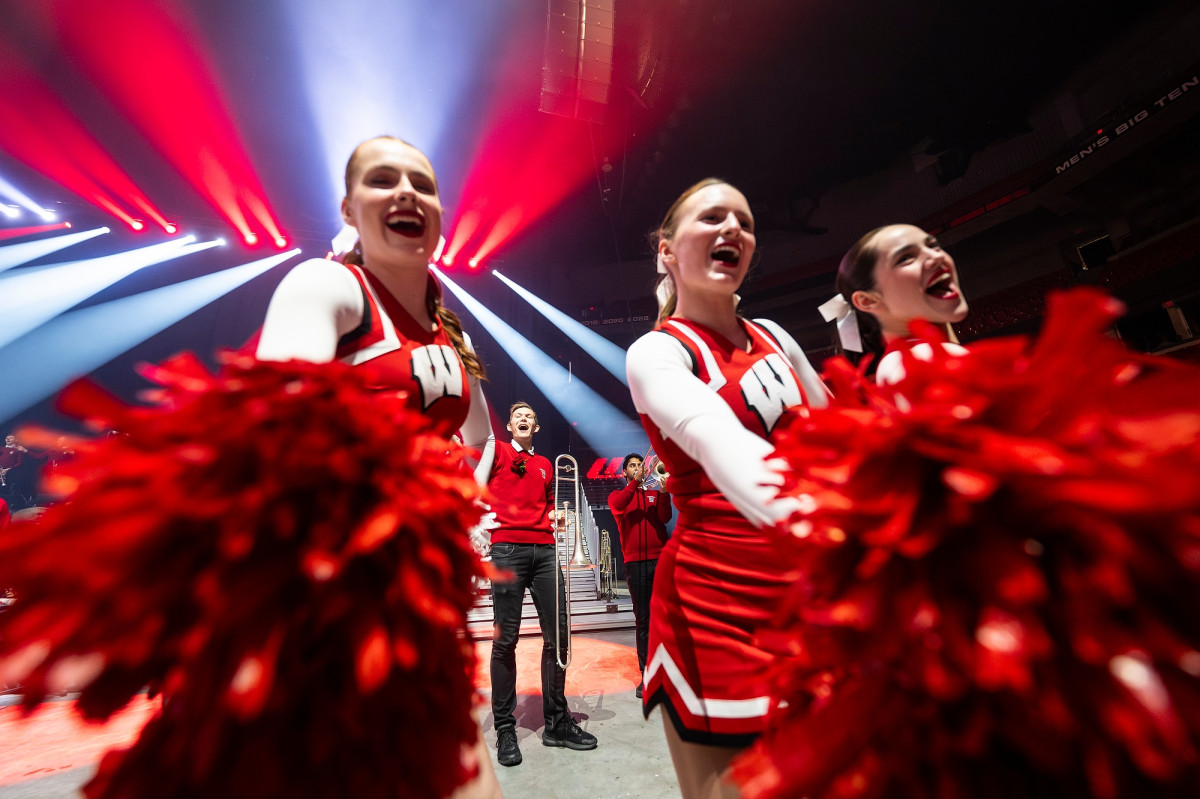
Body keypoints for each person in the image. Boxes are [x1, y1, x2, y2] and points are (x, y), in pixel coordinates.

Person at [257, 136, 500, 799]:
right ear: (348, 208)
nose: (405, 193)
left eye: (421, 182)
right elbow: (274, 428)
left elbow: (483, 438)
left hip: (418, 600)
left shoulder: (453, 332)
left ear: (441, 213)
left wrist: (463, 505)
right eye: (383, 180)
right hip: (333, 602)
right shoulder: (326, 284)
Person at [624, 179, 830, 798]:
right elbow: (720, 442)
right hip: (718, 601)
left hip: (808, 588)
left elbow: (837, 437)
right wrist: (827, 524)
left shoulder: (774, 334)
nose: (733, 230)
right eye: (712, 217)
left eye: (743, 220)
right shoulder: (656, 351)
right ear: (666, 250)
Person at [485, 401, 598, 768]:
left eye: (529, 416)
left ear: (536, 426)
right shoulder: (499, 451)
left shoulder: (547, 464)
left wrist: (556, 516)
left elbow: (549, 505)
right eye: (517, 414)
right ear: (509, 425)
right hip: (507, 550)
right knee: (506, 640)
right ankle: (505, 727)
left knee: (559, 637)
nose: (522, 417)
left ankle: (556, 723)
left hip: (546, 551)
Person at [820, 223, 969, 384]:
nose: (936, 256)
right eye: (905, 258)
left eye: (933, 246)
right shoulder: (921, 363)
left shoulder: (904, 361)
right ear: (868, 300)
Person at [606, 452, 671, 698]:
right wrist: (636, 483)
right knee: (643, 621)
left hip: (660, 561)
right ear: (625, 473)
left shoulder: (655, 493)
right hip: (636, 564)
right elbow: (619, 505)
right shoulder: (617, 495)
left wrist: (664, 494)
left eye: (638, 465)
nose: (636, 468)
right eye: (632, 466)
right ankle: (647, 676)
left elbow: (665, 518)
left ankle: (666, 674)